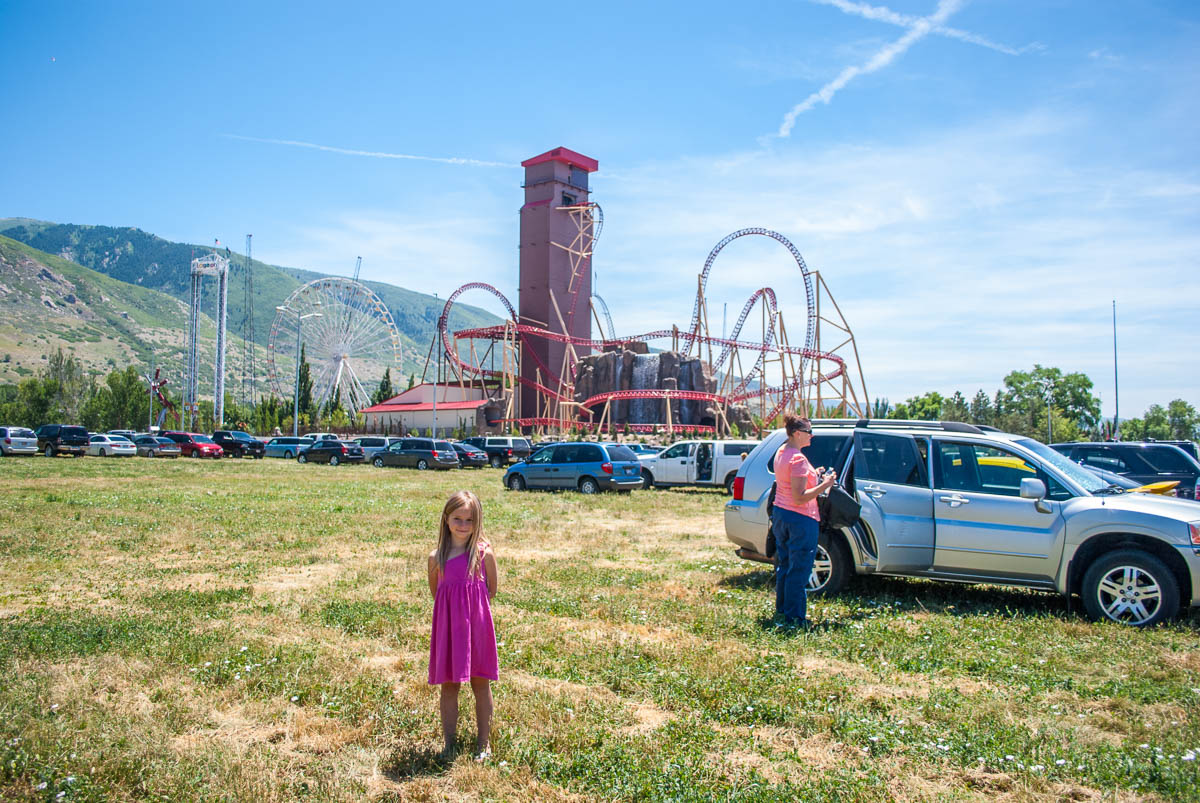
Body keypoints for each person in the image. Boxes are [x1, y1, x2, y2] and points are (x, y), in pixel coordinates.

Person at [428, 490, 498, 761]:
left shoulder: (483, 554)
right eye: (457, 518)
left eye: (470, 520)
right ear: (446, 519)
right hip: (449, 632)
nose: (463, 525)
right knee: (449, 686)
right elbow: (437, 594)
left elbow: (491, 590)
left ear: (477, 522)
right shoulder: (436, 558)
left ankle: (484, 743)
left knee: (481, 683)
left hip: (477, 629)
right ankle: (449, 744)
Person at [772, 414, 836, 628]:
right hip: (800, 518)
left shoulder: (782, 452)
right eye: (809, 432)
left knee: (785, 564)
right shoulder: (798, 459)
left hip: (781, 513)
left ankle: (783, 610)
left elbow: (790, 481)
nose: (812, 435)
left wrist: (813, 475)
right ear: (797, 433)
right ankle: (796, 617)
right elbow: (799, 497)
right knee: (799, 569)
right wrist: (825, 484)